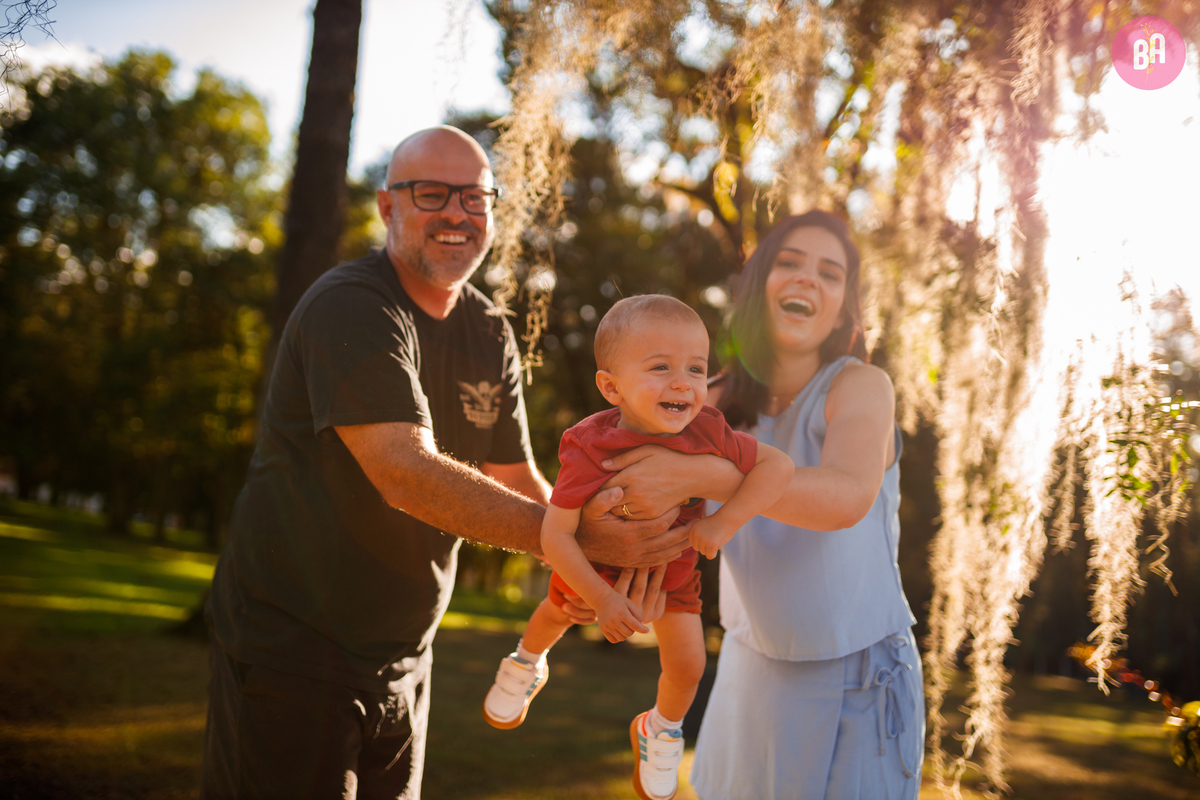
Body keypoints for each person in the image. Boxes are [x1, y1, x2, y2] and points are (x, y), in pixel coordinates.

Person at [200, 126, 689, 800]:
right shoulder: (354, 306)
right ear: (387, 207)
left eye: (475, 196)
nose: (457, 212)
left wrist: (595, 564)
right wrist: (571, 539)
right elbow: (404, 473)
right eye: (431, 194)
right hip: (294, 652)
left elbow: (518, 479)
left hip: (405, 656)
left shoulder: (489, 330)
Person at [594, 211, 924, 799]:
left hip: (863, 674)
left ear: (845, 303)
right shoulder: (704, 399)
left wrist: (704, 475)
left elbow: (847, 497)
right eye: (789, 263)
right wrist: (619, 571)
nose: (806, 280)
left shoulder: (860, 387)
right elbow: (633, 492)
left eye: (829, 272)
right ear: (758, 284)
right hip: (753, 665)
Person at [481, 295, 793, 800]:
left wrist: (725, 523)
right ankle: (525, 660)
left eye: (696, 368)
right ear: (611, 387)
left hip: (672, 571)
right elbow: (555, 535)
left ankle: (661, 728)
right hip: (595, 564)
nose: (682, 383)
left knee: (689, 665)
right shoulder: (590, 446)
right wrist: (602, 599)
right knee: (556, 612)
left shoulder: (709, 430)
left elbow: (778, 468)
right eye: (661, 367)